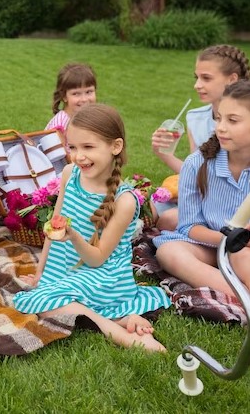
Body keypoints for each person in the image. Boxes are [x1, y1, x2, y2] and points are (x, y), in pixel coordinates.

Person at [14, 104, 171, 353]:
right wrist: (39, 274)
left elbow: (97, 260)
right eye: (73, 147)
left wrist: (73, 236)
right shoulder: (69, 174)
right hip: (64, 271)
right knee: (38, 298)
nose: (79, 156)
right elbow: (52, 232)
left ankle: (117, 332)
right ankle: (118, 320)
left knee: (44, 305)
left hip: (104, 278)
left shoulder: (124, 200)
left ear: (115, 147)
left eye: (88, 147)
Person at [154, 82, 250, 296]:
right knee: (169, 252)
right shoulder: (197, 164)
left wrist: (242, 243)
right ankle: (239, 295)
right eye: (218, 118)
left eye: (232, 120)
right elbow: (189, 226)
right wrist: (230, 240)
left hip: (246, 250)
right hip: (208, 242)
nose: (221, 127)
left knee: (243, 257)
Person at [151, 45, 249, 230]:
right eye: (197, 78)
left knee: (170, 220)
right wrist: (164, 154)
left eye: (206, 78)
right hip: (198, 194)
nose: (197, 85)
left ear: (232, 79)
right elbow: (196, 170)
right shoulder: (195, 118)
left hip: (230, 202)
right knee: (149, 207)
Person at [45, 63, 97, 148]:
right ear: (64, 96)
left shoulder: (90, 116)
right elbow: (57, 159)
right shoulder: (60, 126)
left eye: (89, 92)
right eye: (76, 94)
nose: (84, 99)